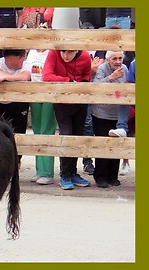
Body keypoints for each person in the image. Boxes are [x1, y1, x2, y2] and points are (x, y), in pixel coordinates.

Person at [42, 49, 92, 190]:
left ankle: (73, 172)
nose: (65, 55)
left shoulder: (85, 57)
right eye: (63, 51)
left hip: (80, 102)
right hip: (61, 102)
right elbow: (46, 76)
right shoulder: (53, 53)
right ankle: (64, 174)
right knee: (66, 135)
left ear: (76, 49)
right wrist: (68, 81)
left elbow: (86, 77)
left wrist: (79, 85)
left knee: (77, 137)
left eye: (69, 52)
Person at [91, 51, 128, 188]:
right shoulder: (102, 69)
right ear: (108, 60)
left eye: (120, 58)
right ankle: (100, 176)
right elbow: (96, 87)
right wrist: (111, 78)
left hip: (117, 112)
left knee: (116, 146)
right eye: (114, 59)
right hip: (102, 113)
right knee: (103, 144)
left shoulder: (124, 68)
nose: (118, 61)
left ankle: (113, 176)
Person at [0, 49, 31, 166]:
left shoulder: (26, 64)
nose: (23, 60)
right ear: (11, 58)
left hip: (19, 102)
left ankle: (16, 161)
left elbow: (26, 76)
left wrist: (5, 77)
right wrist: (11, 77)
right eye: (20, 58)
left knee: (19, 131)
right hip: (0, 102)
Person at [26, 48, 56, 184]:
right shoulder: (32, 52)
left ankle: (47, 172)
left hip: (49, 92)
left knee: (47, 130)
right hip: (34, 92)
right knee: (37, 130)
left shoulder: (51, 52)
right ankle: (39, 170)